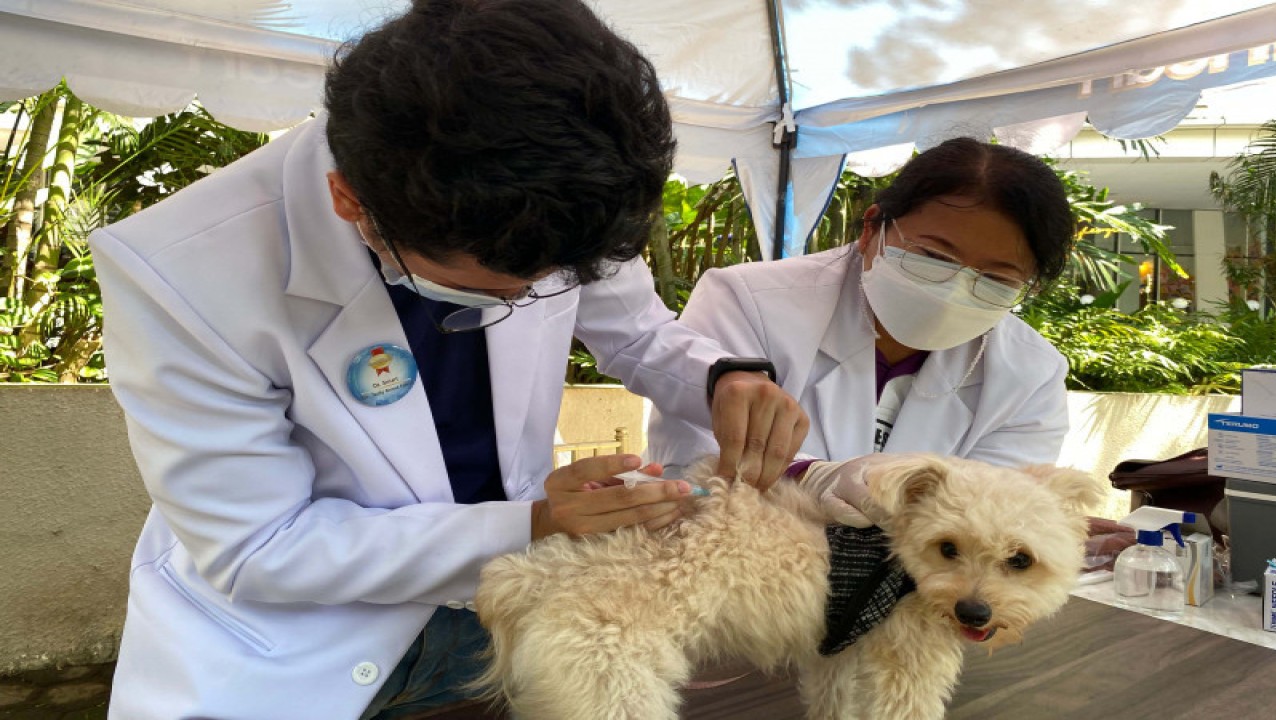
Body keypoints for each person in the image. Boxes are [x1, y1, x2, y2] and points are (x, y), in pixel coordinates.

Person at [91, 2, 806, 718]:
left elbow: (642, 334)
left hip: (513, 607)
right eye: (490, 293)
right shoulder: (178, 273)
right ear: (351, 202)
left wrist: (720, 378)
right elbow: (260, 546)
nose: (531, 300)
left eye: (544, 286)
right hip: (301, 652)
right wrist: (532, 524)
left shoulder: (561, 196)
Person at [647, 137, 1076, 520]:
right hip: (741, 572)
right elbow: (698, 453)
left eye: (997, 280)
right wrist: (812, 478)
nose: (955, 291)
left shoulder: (1030, 373)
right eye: (933, 257)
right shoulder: (747, 300)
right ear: (872, 228)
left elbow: (997, 508)